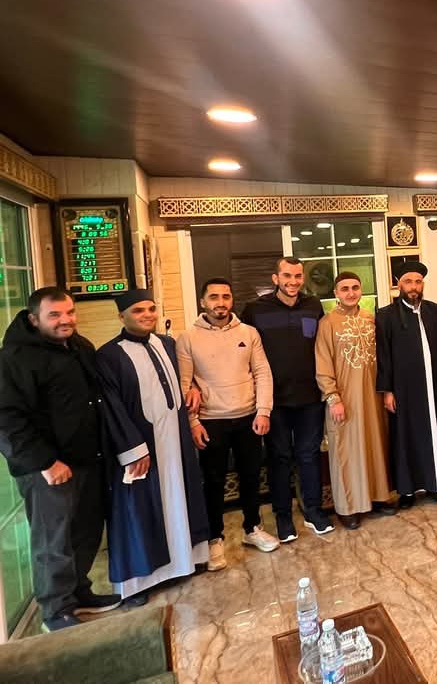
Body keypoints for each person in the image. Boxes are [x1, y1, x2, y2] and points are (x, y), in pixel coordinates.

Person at [0, 288, 141, 631]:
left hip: (88, 460)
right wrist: (46, 463)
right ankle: (55, 610)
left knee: (86, 532)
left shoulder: (80, 347)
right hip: (48, 468)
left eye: (69, 312)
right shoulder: (14, 358)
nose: (65, 320)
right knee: (54, 541)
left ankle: (79, 593)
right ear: (34, 319)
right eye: (55, 315)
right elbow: (8, 419)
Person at [96, 289, 210, 606]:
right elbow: (111, 407)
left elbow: (184, 377)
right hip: (141, 445)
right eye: (138, 311)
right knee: (140, 509)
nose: (147, 315)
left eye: (151, 309)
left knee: (181, 496)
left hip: (176, 438)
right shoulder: (109, 356)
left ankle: (185, 561)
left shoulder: (167, 344)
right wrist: (133, 449)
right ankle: (141, 582)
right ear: (121, 316)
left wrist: (193, 388)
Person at [176, 278, 279, 571]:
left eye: (225, 296)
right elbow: (184, 383)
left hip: (248, 416)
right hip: (211, 421)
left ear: (232, 300)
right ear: (203, 302)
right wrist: (193, 422)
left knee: (251, 476)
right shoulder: (188, 337)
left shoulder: (248, 332)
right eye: (214, 297)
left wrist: (263, 411)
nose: (220, 302)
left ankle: (252, 528)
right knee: (214, 481)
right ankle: (214, 538)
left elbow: (262, 372)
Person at [241, 256, 332, 541]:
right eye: (287, 276)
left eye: (297, 276)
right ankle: (283, 517)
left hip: (310, 397)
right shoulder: (255, 310)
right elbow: (243, 352)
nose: (293, 282)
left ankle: (313, 511)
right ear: (275, 278)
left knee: (309, 455)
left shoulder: (313, 305)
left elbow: (322, 347)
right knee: (279, 458)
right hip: (274, 401)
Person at [375, 261, 437, 506]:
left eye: (418, 282)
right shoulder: (386, 316)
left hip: (435, 386)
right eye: (408, 282)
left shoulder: (434, 311)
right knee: (406, 437)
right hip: (404, 390)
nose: (414, 287)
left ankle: (436, 485)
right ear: (398, 284)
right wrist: (388, 391)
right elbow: (383, 356)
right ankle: (407, 491)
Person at [315, 272, 392, 527]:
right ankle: (348, 507)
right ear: (336, 293)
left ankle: (378, 497)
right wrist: (333, 397)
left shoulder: (370, 318)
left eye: (355, 288)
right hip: (344, 398)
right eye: (345, 288)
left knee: (374, 446)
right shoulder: (328, 323)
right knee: (346, 452)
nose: (351, 293)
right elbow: (323, 363)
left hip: (372, 396)